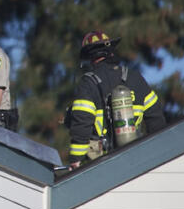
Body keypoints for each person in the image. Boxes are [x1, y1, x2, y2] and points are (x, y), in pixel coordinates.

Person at [67, 30, 165, 168]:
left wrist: (75, 160)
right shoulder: (135, 78)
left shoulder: (88, 83)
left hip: (103, 164)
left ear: (90, 57)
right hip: (136, 159)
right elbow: (156, 120)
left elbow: (82, 121)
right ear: (111, 52)